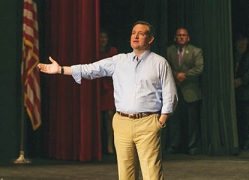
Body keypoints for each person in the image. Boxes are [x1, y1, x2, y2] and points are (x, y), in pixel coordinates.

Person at [38, 21, 177, 180]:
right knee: (126, 173)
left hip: (147, 122)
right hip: (122, 122)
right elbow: (90, 69)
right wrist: (61, 69)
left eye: (141, 33)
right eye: (133, 32)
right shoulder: (118, 61)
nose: (135, 36)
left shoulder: (159, 62)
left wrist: (161, 121)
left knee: (152, 174)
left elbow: (170, 93)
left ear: (150, 39)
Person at [165, 28, 204, 155]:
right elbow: (165, 67)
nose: (181, 37)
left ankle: (192, 146)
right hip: (174, 91)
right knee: (174, 120)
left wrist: (184, 75)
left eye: (184, 35)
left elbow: (199, 68)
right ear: (175, 38)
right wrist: (176, 75)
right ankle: (174, 145)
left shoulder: (196, 51)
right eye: (179, 35)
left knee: (191, 121)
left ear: (188, 38)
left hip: (191, 92)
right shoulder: (169, 50)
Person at [99, 29, 118, 155]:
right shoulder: (93, 51)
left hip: (109, 85)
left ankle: (110, 144)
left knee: (110, 115)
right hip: (96, 85)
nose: (103, 40)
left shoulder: (113, 51)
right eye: (100, 38)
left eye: (105, 37)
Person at [233, 34, 249, 151]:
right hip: (233, 94)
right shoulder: (232, 56)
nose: (242, 46)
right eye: (240, 44)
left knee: (245, 118)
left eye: (244, 44)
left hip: (245, 92)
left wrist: (242, 81)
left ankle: (245, 142)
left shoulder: (247, 57)